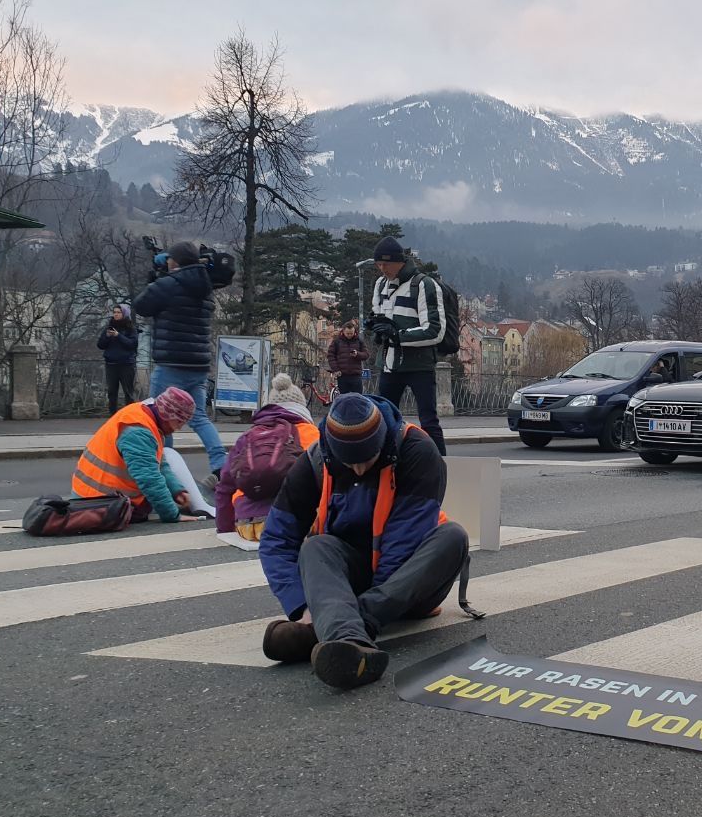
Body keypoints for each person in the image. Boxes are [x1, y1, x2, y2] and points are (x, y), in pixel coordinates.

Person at [258, 393, 470, 689]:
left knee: (454, 536)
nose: (357, 470)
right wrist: (303, 607)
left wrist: (340, 612)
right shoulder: (317, 459)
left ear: (383, 443)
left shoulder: (418, 451)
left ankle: (338, 629)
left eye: (366, 461)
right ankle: (350, 645)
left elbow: (403, 543)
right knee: (317, 546)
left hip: (410, 582)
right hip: (347, 582)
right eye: (349, 463)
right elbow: (277, 539)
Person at [132, 240, 227, 488]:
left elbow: (141, 306)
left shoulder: (169, 284)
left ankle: (168, 469)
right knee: (198, 418)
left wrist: (156, 278)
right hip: (198, 363)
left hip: (171, 361)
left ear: (174, 261)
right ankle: (221, 464)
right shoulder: (205, 285)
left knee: (161, 418)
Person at [71, 386, 205, 524]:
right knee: (147, 504)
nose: (179, 428)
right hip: (99, 503)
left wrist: (176, 490)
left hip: (92, 494)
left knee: (155, 497)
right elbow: (149, 479)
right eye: (179, 422)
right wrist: (172, 515)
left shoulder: (143, 415)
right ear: (167, 414)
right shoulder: (138, 431)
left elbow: (159, 464)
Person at [214, 374, 319, 541]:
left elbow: (225, 486)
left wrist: (225, 530)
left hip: (247, 524)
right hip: (292, 523)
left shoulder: (250, 435)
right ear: (301, 407)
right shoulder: (312, 433)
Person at [367, 236, 448, 454]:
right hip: (389, 364)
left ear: (400, 261)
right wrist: (376, 327)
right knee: (383, 420)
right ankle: (386, 469)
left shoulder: (424, 285)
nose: (382, 269)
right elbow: (380, 317)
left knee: (428, 421)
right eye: (378, 264)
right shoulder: (380, 285)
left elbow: (435, 330)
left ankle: (440, 469)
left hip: (419, 365)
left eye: (386, 264)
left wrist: (396, 335)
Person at [97, 304, 138, 414]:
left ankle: (130, 415)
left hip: (126, 364)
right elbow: (100, 345)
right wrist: (107, 336)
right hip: (111, 364)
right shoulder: (109, 327)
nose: (116, 314)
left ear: (124, 314)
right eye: (114, 312)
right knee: (111, 392)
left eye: (118, 312)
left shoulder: (130, 328)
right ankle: (113, 416)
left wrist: (118, 335)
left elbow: (132, 344)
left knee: (128, 392)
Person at [326, 318, 369, 395]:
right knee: (344, 399)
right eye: (347, 333)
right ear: (343, 331)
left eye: (351, 333)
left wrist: (357, 354)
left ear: (354, 332)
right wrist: (336, 369)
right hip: (342, 375)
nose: (349, 335)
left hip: (356, 375)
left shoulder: (359, 341)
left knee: (357, 398)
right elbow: (330, 356)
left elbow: (366, 355)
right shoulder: (337, 341)